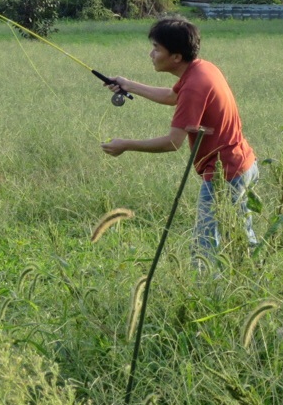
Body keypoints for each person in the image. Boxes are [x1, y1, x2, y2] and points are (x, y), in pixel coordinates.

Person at [100, 16, 259, 259]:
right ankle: (249, 280)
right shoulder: (202, 69)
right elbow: (172, 96)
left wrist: (126, 145)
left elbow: (173, 142)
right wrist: (128, 85)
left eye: (156, 48)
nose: (151, 54)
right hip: (240, 164)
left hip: (224, 172)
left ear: (176, 57)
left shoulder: (195, 85)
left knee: (205, 244)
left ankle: (209, 291)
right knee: (239, 238)